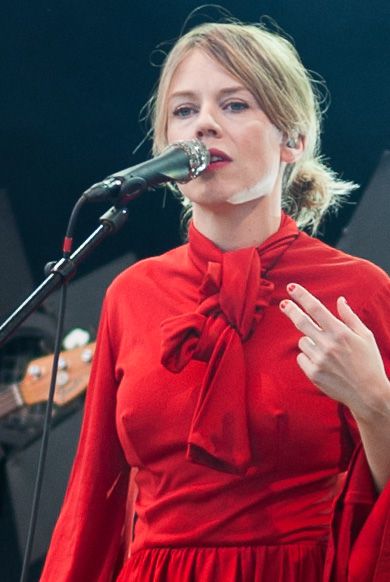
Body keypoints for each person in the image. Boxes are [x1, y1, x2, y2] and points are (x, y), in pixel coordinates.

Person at [40, 19, 390, 582]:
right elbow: (91, 503)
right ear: (164, 154)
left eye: (234, 104)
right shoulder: (131, 296)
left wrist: (377, 406)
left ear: (293, 140)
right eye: (183, 111)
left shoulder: (360, 292)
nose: (203, 124)